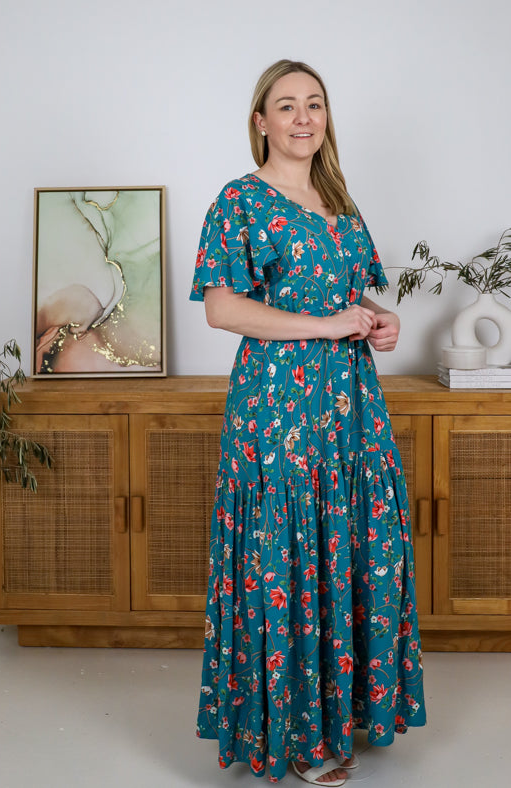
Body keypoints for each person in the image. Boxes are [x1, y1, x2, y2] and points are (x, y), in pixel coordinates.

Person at [189, 59, 426, 785]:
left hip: (352, 410)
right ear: (260, 120)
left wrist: (380, 324)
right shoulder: (240, 201)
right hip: (278, 413)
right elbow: (222, 307)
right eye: (285, 105)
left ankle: (346, 711)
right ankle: (298, 735)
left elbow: (359, 300)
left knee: (355, 546)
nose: (302, 117)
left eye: (314, 104)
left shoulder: (341, 204)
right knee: (285, 559)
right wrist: (324, 327)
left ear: (326, 119)